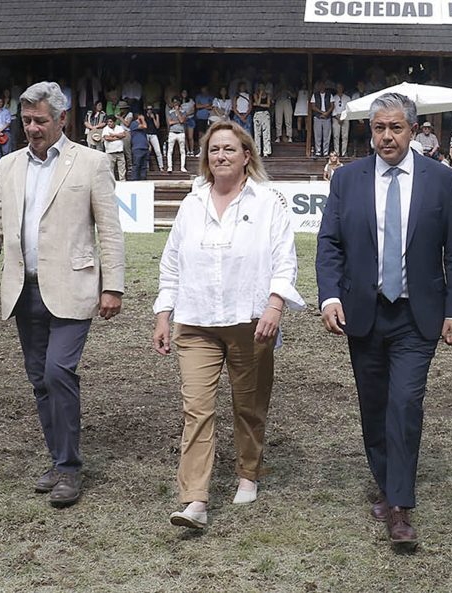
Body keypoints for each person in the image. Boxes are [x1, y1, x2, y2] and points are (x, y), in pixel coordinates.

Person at [0, 81, 125, 508]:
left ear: (62, 119)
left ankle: (69, 469)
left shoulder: (91, 163)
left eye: (40, 121)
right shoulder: (9, 165)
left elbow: (110, 229)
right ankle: (58, 459)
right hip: (22, 290)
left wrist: (113, 286)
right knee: (39, 381)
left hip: (73, 287)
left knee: (57, 373)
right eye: (27, 120)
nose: (32, 128)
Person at [316, 92, 452, 547]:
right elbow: (330, 245)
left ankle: (400, 508)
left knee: (404, 404)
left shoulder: (440, 179)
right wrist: (329, 298)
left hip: (417, 316)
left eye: (396, 128)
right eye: (379, 128)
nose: (387, 136)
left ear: (414, 130)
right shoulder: (347, 179)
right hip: (362, 315)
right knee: (374, 406)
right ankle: (387, 482)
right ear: (371, 131)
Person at [152, 121, 305, 530]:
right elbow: (171, 264)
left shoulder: (267, 202)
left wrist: (275, 305)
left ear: (246, 156)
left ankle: (247, 472)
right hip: (195, 320)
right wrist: (163, 313)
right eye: (214, 150)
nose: (221, 156)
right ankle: (195, 500)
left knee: (248, 404)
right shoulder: (192, 203)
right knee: (196, 410)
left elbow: (283, 259)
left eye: (229, 150)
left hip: (250, 321)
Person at [309, 81, 334, 158]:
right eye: (320, 85)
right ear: (318, 87)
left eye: (323, 85)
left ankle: (325, 152)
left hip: (327, 117)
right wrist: (322, 112)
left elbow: (332, 105)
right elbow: (313, 106)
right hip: (317, 117)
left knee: (327, 135)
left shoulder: (329, 95)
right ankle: (318, 152)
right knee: (318, 135)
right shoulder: (315, 95)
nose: (322, 87)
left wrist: (327, 113)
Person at [165, 97, 188, 173]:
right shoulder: (170, 112)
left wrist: (178, 112)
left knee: (182, 151)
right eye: (174, 102)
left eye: (177, 102)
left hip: (181, 132)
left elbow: (182, 120)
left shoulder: (183, 112)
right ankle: (169, 167)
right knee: (170, 150)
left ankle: (182, 167)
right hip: (172, 132)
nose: (175, 104)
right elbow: (170, 122)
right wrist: (177, 121)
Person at [101, 114, 127, 181]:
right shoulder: (105, 129)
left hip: (120, 151)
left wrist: (114, 135)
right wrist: (118, 138)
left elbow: (124, 134)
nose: (109, 123)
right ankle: (112, 183)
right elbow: (107, 138)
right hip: (110, 152)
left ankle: (123, 182)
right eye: (108, 122)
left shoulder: (119, 127)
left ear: (114, 122)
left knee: (122, 169)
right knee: (110, 169)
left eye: (111, 122)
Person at [127, 107, 151, 181]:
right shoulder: (134, 124)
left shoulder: (142, 124)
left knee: (144, 166)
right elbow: (144, 126)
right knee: (137, 164)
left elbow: (144, 135)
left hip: (144, 147)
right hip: (137, 148)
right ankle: (135, 180)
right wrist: (142, 119)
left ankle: (143, 179)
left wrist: (148, 145)